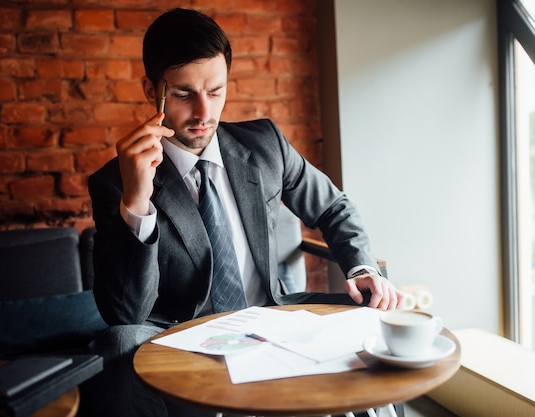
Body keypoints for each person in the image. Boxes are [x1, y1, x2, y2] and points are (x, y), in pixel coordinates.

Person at [85, 7, 406, 417]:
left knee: (377, 315)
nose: (203, 113)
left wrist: (362, 269)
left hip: (271, 314)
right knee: (114, 344)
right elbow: (125, 313)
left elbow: (332, 206)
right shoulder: (114, 181)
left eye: (216, 91)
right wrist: (137, 200)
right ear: (152, 90)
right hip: (182, 332)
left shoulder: (264, 143)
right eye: (184, 94)